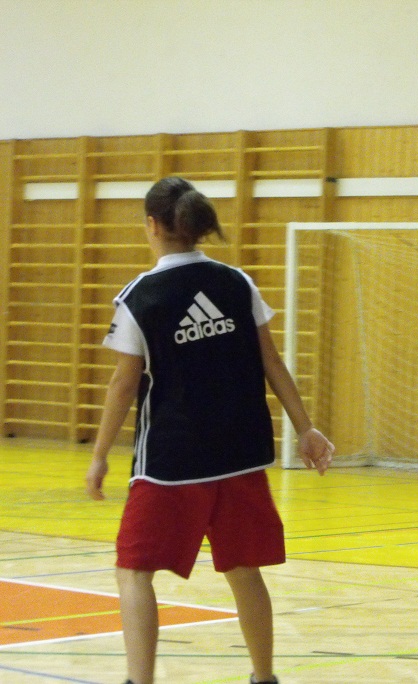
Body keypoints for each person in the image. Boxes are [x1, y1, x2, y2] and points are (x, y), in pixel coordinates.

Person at [85, 176, 334, 684]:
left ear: (153, 225)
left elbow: (122, 384)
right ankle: (264, 677)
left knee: (133, 570)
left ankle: (139, 681)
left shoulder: (140, 297)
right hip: (240, 456)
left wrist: (99, 454)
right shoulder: (236, 283)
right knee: (244, 570)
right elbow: (272, 361)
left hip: (172, 463)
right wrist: (306, 427)